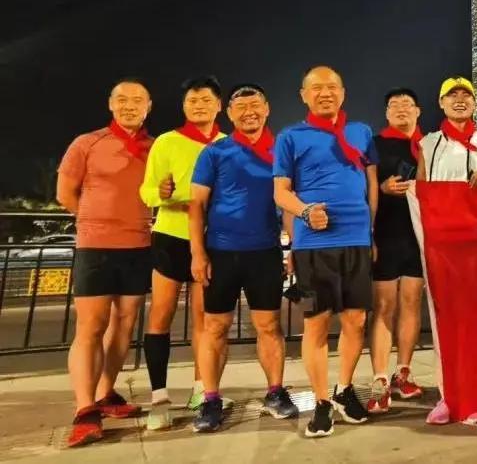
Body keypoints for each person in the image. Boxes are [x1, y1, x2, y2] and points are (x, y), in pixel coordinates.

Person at [273, 66, 379, 438]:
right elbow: (281, 192)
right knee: (316, 323)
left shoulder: (361, 132)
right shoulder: (290, 137)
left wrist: (371, 231)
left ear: (343, 92)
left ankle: (344, 389)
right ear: (304, 95)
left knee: (356, 320)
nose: (325, 93)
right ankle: (321, 401)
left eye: (332, 87)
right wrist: (305, 212)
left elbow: (371, 185)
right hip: (314, 243)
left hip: (356, 239)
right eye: (316, 88)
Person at [187, 83, 299, 432]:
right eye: (241, 107)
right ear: (229, 114)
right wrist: (197, 253)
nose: (249, 112)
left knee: (269, 326)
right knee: (214, 327)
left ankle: (275, 392)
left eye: (255, 105)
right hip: (221, 253)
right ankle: (210, 399)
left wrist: (294, 248)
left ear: (267, 109)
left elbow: (289, 204)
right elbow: (196, 205)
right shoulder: (215, 152)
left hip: (265, 252)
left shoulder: (283, 151)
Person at [57, 78, 154, 447]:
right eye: (123, 99)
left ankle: (105, 393)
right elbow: (65, 193)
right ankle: (85, 410)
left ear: (148, 107)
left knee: (124, 324)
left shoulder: (154, 147)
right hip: (96, 246)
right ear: (111, 104)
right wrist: (96, 222)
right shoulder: (87, 142)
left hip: (139, 245)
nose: (130, 106)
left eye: (138, 100)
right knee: (91, 326)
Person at [139, 75, 226, 430]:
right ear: (184, 106)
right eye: (192, 100)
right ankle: (159, 397)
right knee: (161, 314)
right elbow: (146, 191)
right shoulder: (167, 141)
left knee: (204, 319)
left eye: (206, 100)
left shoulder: (226, 144)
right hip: (171, 237)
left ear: (219, 105)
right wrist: (161, 193)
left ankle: (201, 390)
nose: (199, 105)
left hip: (209, 241)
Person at [417, 76, 477, 425]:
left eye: (466, 94)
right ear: (441, 103)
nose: (460, 99)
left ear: (475, 104)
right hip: (442, 247)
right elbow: (420, 192)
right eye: (452, 95)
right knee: (445, 322)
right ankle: (448, 395)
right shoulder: (428, 144)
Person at [366, 88, 426, 414]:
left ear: (418, 111)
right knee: (384, 305)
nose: (401, 109)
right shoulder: (374, 144)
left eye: (407, 104)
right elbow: (365, 186)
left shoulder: (429, 144)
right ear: (387, 113)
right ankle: (379, 378)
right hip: (386, 233)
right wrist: (383, 188)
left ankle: (403, 371)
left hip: (417, 236)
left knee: (412, 302)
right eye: (394, 105)